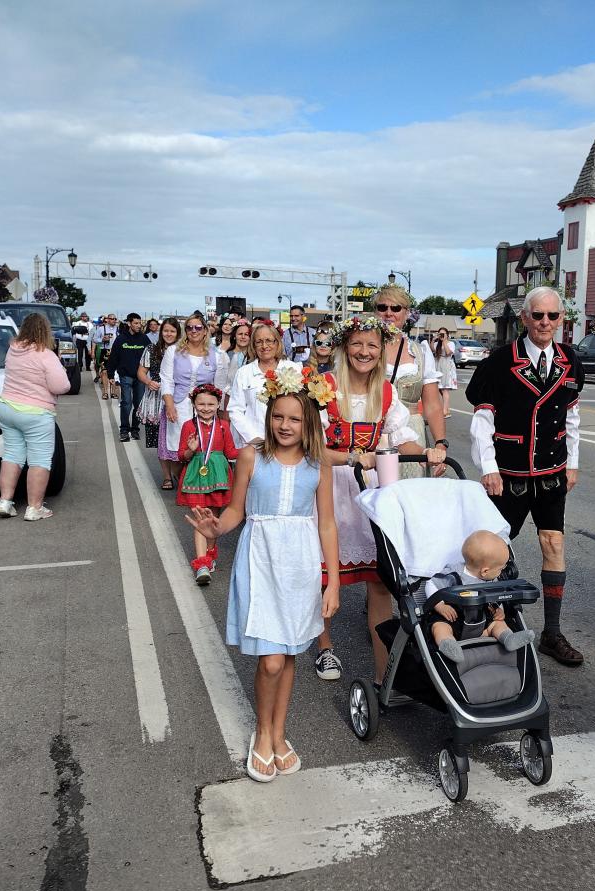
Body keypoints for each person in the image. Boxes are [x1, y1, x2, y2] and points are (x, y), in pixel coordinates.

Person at [186, 371, 341, 781]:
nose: (285, 426)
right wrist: (217, 528)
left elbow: (327, 524)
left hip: (300, 564)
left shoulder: (318, 464)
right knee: (271, 661)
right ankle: (262, 731)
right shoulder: (252, 455)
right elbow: (237, 508)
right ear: (268, 415)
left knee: (287, 653)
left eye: (294, 419)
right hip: (261, 559)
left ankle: (277, 732)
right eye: (278, 417)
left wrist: (334, 580)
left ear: (309, 423)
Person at [315, 315, 447, 682]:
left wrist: (427, 451)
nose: (364, 351)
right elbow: (310, 447)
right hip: (330, 487)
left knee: (380, 580)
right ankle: (325, 648)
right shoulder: (324, 386)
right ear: (345, 347)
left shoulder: (385, 393)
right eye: (357, 344)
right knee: (327, 574)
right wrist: (353, 457)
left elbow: (401, 435)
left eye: (372, 345)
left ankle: (382, 669)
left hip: (370, 489)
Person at [466, 285, 583, 667]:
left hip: (552, 473)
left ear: (561, 319)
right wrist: (488, 468)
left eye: (553, 316)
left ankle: (552, 632)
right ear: (524, 318)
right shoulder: (501, 361)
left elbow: (572, 419)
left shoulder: (570, 361)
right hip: (510, 472)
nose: (545, 322)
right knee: (493, 549)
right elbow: (482, 421)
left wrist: (574, 462)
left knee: (553, 545)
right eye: (538, 315)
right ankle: (485, 619)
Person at [0, 312, 71, 521]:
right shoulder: (46, 355)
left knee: (12, 455)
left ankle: (5, 501)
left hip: (6, 407)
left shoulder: (13, 350)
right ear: (45, 331)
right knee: (39, 460)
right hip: (34, 412)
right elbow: (61, 386)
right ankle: (34, 507)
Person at [372, 285, 448, 478]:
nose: (388, 313)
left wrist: (440, 443)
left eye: (396, 308)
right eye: (382, 308)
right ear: (375, 312)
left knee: (409, 494)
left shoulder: (420, 351)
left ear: (406, 313)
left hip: (411, 431)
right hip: (372, 430)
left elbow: (432, 404)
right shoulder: (363, 349)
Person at [425, 530, 535, 662]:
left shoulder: (492, 579)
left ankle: (508, 638)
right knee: (439, 627)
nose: (502, 571)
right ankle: (448, 644)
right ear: (485, 571)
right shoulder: (454, 574)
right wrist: (439, 605)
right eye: (500, 568)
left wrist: (499, 610)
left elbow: (496, 596)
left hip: (481, 621)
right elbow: (431, 584)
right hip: (453, 619)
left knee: (497, 623)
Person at [178, 384, 240, 585]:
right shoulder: (189, 425)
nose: (206, 408)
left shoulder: (224, 426)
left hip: (218, 477)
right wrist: (191, 450)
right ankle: (202, 564)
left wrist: (253, 451)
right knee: (199, 516)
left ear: (218, 405)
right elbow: (182, 456)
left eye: (210, 404)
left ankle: (210, 552)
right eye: (201, 404)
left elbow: (231, 452)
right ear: (194, 404)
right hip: (196, 475)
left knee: (212, 518)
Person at [161, 312, 230, 486]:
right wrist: (169, 405)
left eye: (198, 327)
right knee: (181, 447)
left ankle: (198, 481)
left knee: (202, 445)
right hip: (179, 404)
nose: (194, 330)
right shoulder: (173, 351)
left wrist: (220, 412)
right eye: (189, 327)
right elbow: (167, 379)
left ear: (205, 331)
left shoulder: (217, 355)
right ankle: (181, 477)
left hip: (205, 407)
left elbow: (220, 386)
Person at [228, 321, 301, 448]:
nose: (264, 345)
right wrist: (253, 438)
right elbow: (235, 410)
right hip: (253, 444)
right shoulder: (244, 373)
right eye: (259, 341)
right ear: (254, 346)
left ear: (277, 343)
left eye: (269, 340)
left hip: (288, 443)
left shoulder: (292, 369)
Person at [138, 317, 180, 487]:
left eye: (172, 331)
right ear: (161, 332)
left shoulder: (182, 351)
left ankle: (179, 473)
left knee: (176, 438)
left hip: (175, 397)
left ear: (177, 334)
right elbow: (141, 371)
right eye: (166, 331)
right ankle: (167, 476)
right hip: (155, 399)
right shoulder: (151, 349)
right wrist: (148, 382)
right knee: (159, 439)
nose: (168, 334)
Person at [106, 312, 150, 443]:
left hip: (140, 377)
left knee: (138, 404)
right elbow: (113, 357)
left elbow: (151, 357)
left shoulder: (144, 339)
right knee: (126, 403)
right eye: (136, 323)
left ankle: (135, 429)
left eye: (140, 323)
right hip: (125, 376)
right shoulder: (120, 339)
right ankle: (124, 430)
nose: (139, 325)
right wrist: (110, 374)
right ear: (129, 323)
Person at [431, 327, 458, 412]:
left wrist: (444, 341)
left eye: (443, 334)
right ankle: (447, 408)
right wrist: (433, 340)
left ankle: (445, 410)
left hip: (446, 365)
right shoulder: (437, 344)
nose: (442, 335)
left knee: (445, 388)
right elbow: (432, 350)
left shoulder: (451, 343)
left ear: (447, 335)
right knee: (439, 387)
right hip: (437, 364)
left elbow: (448, 353)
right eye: (440, 334)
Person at [91, 314, 119, 397]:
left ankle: (113, 392)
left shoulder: (118, 329)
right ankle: (105, 392)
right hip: (105, 351)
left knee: (115, 372)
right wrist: (102, 339)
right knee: (104, 372)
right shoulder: (101, 329)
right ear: (108, 320)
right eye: (112, 319)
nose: (113, 320)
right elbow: (94, 339)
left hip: (116, 352)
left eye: (115, 319)